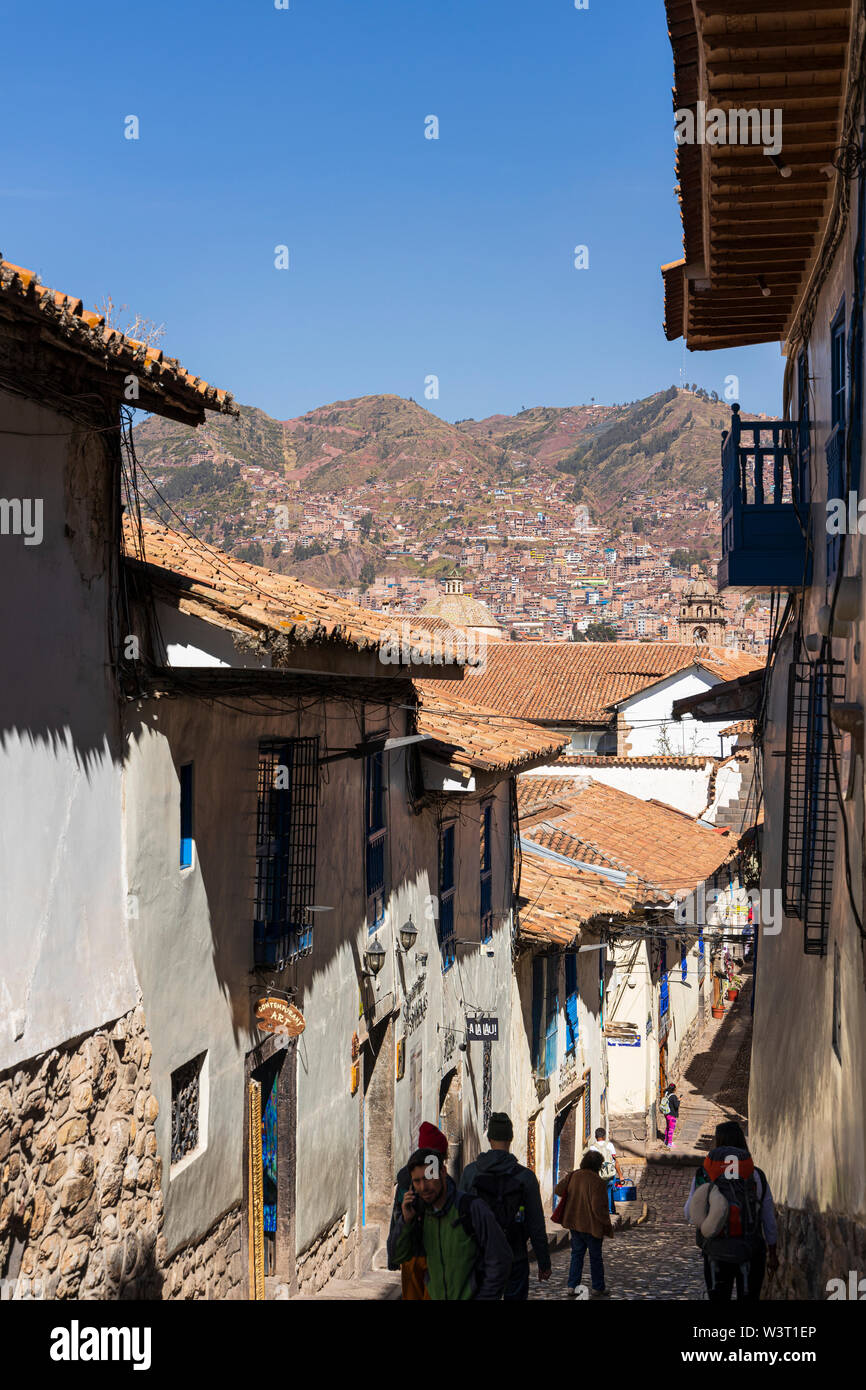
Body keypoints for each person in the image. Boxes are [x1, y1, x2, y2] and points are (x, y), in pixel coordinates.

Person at [388, 1146, 513, 1300]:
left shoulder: (471, 1209)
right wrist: (405, 1221)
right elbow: (397, 1257)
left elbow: (501, 1259)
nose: (423, 1187)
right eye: (417, 1181)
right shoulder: (420, 1216)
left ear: (442, 1172)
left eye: (428, 1178)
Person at [461, 1111, 551, 1300]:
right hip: (515, 1255)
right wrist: (544, 1262)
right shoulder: (525, 1177)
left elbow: (459, 1219)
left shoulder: (470, 1174)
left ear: (490, 1138)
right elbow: (536, 1225)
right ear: (511, 1138)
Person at [684, 1121, 778, 1301]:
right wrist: (772, 1252)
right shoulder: (756, 1175)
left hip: (715, 1252)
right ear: (742, 1143)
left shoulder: (704, 1175)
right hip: (751, 1251)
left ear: (718, 1144)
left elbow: (689, 1213)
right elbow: (768, 1219)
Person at [388, 1122, 450, 1299]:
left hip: (411, 1254)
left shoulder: (406, 1177)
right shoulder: (441, 1181)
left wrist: (393, 1256)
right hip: (433, 1256)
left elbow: (397, 1216)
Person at [554, 1148, 615, 1298]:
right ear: (598, 1165)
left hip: (575, 1223)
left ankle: (572, 1286)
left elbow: (558, 1190)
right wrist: (607, 1225)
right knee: (595, 1257)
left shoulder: (573, 1176)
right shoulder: (598, 1182)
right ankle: (597, 1287)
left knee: (576, 1255)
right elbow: (598, 1207)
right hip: (592, 1225)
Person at [586, 1127, 624, 1214]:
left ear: (595, 1136)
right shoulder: (609, 1145)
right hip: (609, 1173)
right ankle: (610, 1211)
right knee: (609, 1192)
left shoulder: (592, 1148)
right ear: (604, 1136)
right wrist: (621, 1176)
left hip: (598, 1175)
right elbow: (615, 1162)